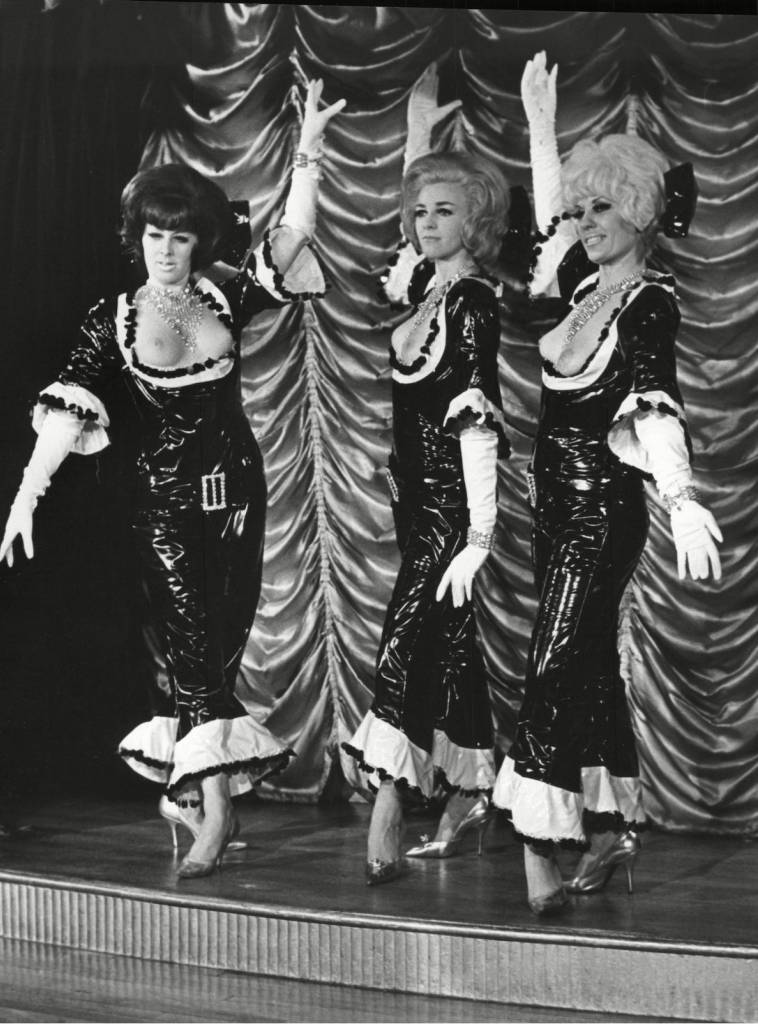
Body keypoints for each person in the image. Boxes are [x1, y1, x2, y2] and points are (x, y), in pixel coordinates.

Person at [0, 80, 345, 879]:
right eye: (155, 234)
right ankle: (215, 810)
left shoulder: (225, 293)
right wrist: (26, 498)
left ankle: (183, 795)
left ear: (199, 243)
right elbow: (64, 411)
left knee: (219, 648)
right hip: (164, 505)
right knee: (191, 643)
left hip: (239, 494)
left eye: (181, 238)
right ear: (137, 237)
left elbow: (291, 235)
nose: (165, 248)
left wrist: (311, 151)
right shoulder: (112, 319)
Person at [492, 52, 723, 914]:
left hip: (606, 509)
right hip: (552, 504)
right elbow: (549, 230)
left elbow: (655, 403)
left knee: (552, 660)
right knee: (583, 663)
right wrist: (542, 132)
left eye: (603, 207)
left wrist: (684, 495)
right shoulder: (584, 289)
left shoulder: (647, 302)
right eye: (582, 207)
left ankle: (537, 845)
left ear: (639, 212)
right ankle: (610, 829)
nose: (585, 221)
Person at [341, 65, 511, 885]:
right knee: (453, 650)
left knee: (403, 640)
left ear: (476, 224)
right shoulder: (422, 293)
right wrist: (416, 145)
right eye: (418, 210)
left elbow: (479, 418)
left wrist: (479, 535)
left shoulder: (474, 302)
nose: (426, 222)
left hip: (452, 515)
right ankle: (472, 794)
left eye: (446, 211)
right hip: (415, 505)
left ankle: (384, 804)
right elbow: (400, 245)